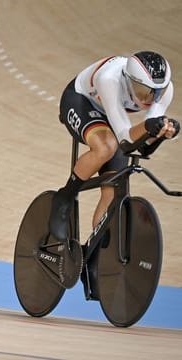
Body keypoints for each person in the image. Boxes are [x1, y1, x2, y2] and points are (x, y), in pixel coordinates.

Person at [50, 51, 179, 295]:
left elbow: (143, 142)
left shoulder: (163, 89)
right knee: (105, 147)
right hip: (80, 101)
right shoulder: (110, 79)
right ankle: (65, 197)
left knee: (113, 192)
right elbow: (125, 137)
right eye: (144, 94)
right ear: (129, 80)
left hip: (113, 116)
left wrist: (162, 131)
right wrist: (151, 128)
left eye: (155, 95)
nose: (149, 100)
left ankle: (94, 257)